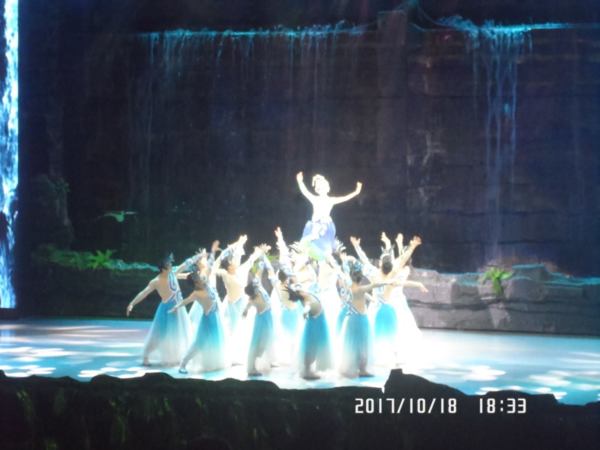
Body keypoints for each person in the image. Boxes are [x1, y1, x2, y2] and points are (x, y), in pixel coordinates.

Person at [350, 234, 428, 365]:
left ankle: (367, 357)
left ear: (380, 264)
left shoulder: (374, 274)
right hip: (388, 309)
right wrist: (412, 247)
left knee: (372, 333)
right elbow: (402, 260)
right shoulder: (392, 275)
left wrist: (357, 247)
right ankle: (396, 358)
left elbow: (365, 260)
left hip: (376, 309)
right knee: (392, 333)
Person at [126, 253, 196, 366]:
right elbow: (144, 293)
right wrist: (132, 303)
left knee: (179, 332)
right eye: (169, 264)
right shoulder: (156, 281)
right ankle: (146, 355)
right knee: (159, 334)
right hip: (167, 310)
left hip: (179, 308)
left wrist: (196, 258)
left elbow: (184, 266)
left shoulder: (172, 273)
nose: (171, 265)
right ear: (163, 268)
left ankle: (177, 355)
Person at [339, 264, 396, 378]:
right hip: (361, 320)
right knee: (363, 346)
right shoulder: (360, 289)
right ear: (360, 278)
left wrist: (371, 298)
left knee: (352, 345)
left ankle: (351, 367)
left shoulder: (349, 288)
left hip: (351, 319)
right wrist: (388, 282)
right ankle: (362, 369)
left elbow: (362, 294)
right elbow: (374, 285)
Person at [170, 271, 227, 374]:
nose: (202, 278)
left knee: (215, 342)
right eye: (199, 278)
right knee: (199, 343)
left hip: (215, 318)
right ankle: (183, 364)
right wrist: (175, 307)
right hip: (208, 320)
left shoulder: (206, 285)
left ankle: (212, 363)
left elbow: (208, 272)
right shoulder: (196, 294)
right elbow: (186, 301)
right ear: (196, 282)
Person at [296, 171, 362, 258]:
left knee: (323, 249)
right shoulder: (314, 199)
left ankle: (323, 255)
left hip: (325, 226)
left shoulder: (331, 200)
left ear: (327, 188)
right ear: (317, 190)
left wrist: (356, 192)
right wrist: (300, 182)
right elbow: (305, 192)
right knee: (305, 245)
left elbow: (345, 198)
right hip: (315, 225)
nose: (321, 189)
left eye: (322, 187)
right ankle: (312, 254)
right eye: (319, 187)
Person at [286, 283, 333, 380]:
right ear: (299, 294)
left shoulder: (307, 294)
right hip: (314, 326)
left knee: (315, 347)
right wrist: (305, 312)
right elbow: (306, 308)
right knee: (311, 348)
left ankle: (309, 369)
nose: (301, 289)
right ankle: (307, 370)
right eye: (299, 290)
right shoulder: (306, 301)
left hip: (319, 323)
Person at [243, 272, 275, 376]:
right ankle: (252, 368)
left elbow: (258, 276)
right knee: (258, 344)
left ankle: (269, 360)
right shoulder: (254, 300)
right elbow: (248, 304)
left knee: (267, 341)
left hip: (267, 319)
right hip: (262, 322)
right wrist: (245, 311)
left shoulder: (259, 289)